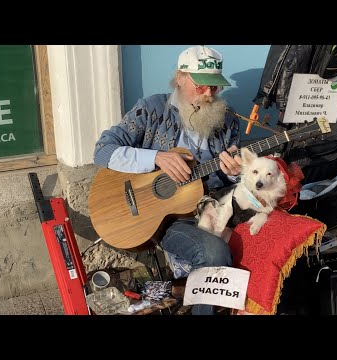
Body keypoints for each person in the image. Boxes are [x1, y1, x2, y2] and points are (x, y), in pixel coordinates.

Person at [93, 45, 242, 315]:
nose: (209, 95)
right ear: (181, 78)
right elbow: (103, 151)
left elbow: (222, 177)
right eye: (201, 86)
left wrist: (232, 170)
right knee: (213, 254)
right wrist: (156, 158)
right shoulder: (152, 109)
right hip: (163, 218)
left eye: (215, 87)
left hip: (211, 207)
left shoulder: (228, 120)